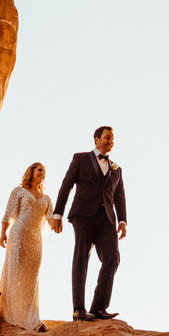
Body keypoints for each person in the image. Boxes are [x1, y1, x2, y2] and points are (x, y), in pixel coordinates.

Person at [51, 125, 127, 321]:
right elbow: (66, 186)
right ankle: (78, 309)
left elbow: (120, 197)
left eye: (112, 139)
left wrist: (123, 221)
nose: (111, 142)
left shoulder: (116, 169)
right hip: (83, 215)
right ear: (96, 139)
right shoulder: (80, 159)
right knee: (81, 260)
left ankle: (99, 307)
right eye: (107, 138)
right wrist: (57, 214)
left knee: (113, 257)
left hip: (107, 219)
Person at [0, 162, 59, 331]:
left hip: (35, 241)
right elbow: (8, 213)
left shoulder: (46, 199)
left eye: (44, 172)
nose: (42, 173)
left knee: (31, 279)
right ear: (31, 172)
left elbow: (51, 220)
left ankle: (31, 319)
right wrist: (3, 233)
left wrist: (59, 220)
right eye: (40, 170)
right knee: (15, 274)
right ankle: (12, 316)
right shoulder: (18, 192)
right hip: (18, 236)